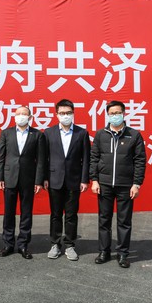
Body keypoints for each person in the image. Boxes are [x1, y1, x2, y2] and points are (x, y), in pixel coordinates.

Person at [90, 100, 146, 269]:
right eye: (112, 113)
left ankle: (122, 254)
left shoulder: (133, 135)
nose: (115, 116)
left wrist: (136, 184)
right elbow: (94, 158)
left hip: (125, 185)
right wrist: (94, 180)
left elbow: (140, 161)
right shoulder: (101, 135)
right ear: (107, 115)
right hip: (104, 184)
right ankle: (104, 251)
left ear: (124, 113)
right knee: (104, 220)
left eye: (118, 113)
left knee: (124, 221)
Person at [0, 105, 46, 259]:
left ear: (30, 117)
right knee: (8, 212)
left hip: (28, 179)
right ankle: (8, 244)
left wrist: (38, 181)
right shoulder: (6, 133)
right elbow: (0, 157)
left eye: (24, 114)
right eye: (18, 113)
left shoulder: (37, 135)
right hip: (9, 177)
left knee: (26, 213)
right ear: (14, 116)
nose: (21, 116)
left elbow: (41, 160)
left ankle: (23, 244)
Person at [43, 99, 90, 261]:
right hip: (54, 179)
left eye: (68, 113)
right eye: (62, 113)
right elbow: (44, 158)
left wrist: (84, 180)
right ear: (56, 114)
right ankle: (55, 244)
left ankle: (70, 245)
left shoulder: (81, 133)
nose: (65, 116)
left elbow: (86, 159)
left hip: (74, 180)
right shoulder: (48, 133)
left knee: (71, 215)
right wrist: (44, 178)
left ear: (73, 113)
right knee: (55, 214)